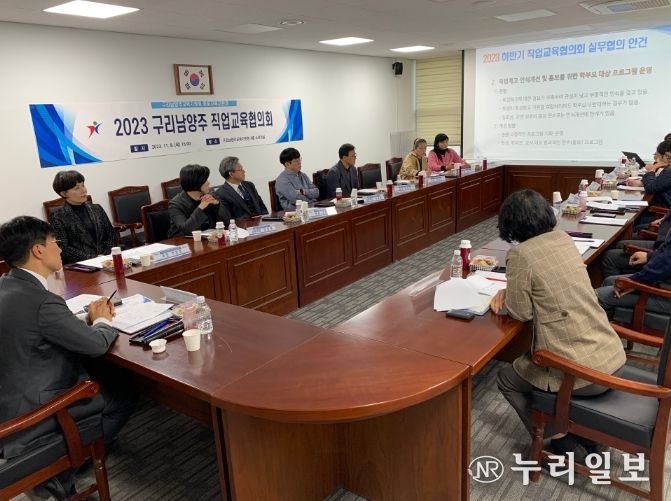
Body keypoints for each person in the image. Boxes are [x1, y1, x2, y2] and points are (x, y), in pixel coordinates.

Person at [0, 216, 135, 499]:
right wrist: (102, 321)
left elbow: (36, 328)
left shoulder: (7, 284)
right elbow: (96, 345)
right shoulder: (42, 300)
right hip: (37, 413)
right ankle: (72, 463)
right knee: (123, 393)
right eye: (55, 243)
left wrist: (82, 321)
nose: (60, 249)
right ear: (38, 250)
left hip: (11, 398)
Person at [490, 189, 626, 460]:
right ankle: (578, 431)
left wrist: (508, 292)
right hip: (610, 353)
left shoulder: (521, 254)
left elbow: (520, 312)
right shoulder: (563, 238)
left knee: (507, 378)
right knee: (528, 366)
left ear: (509, 224)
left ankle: (558, 439)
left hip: (581, 372)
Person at [596, 220, 671, 328]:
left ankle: (608, 332)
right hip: (664, 281)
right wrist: (649, 257)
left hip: (666, 294)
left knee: (596, 297)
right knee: (610, 281)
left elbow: (666, 263)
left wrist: (634, 281)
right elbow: (666, 254)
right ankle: (610, 324)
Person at [50, 170, 117, 264]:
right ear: (64, 194)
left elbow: (111, 234)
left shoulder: (97, 208)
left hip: (107, 260)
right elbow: (63, 248)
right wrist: (93, 258)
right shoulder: (58, 216)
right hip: (81, 265)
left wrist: (106, 254)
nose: (83, 190)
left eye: (83, 185)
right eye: (77, 188)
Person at [167, 164, 231, 237]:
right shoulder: (175, 204)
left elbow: (227, 220)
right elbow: (186, 229)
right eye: (205, 180)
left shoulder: (209, 196)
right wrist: (201, 207)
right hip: (183, 240)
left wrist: (217, 204)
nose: (208, 183)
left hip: (209, 237)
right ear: (195, 183)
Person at [624, 140, 671, 213]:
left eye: (658, 155)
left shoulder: (669, 171)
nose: (657, 159)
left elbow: (650, 188)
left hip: (658, 213)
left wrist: (651, 170)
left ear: (666, 155)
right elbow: (659, 183)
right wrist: (642, 183)